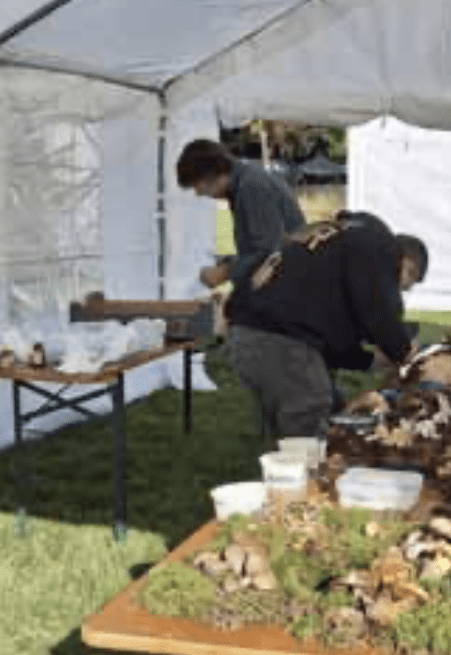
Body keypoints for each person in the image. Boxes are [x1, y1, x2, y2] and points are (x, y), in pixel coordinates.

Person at [226, 210, 429, 440]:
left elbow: (329, 342)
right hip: (281, 341)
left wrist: (369, 361)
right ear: (407, 263)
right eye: (405, 285)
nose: (399, 293)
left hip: (246, 335)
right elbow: (379, 310)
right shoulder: (380, 244)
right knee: (309, 441)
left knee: (311, 423)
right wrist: (403, 351)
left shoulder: (344, 243)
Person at [175, 139, 307, 290]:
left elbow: (270, 253)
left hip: (286, 285)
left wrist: (225, 272)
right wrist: (231, 262)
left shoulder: (251, 186)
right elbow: (260, 245)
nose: (198, 193)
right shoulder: (246, 181)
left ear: (210, 174)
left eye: (198, 185)